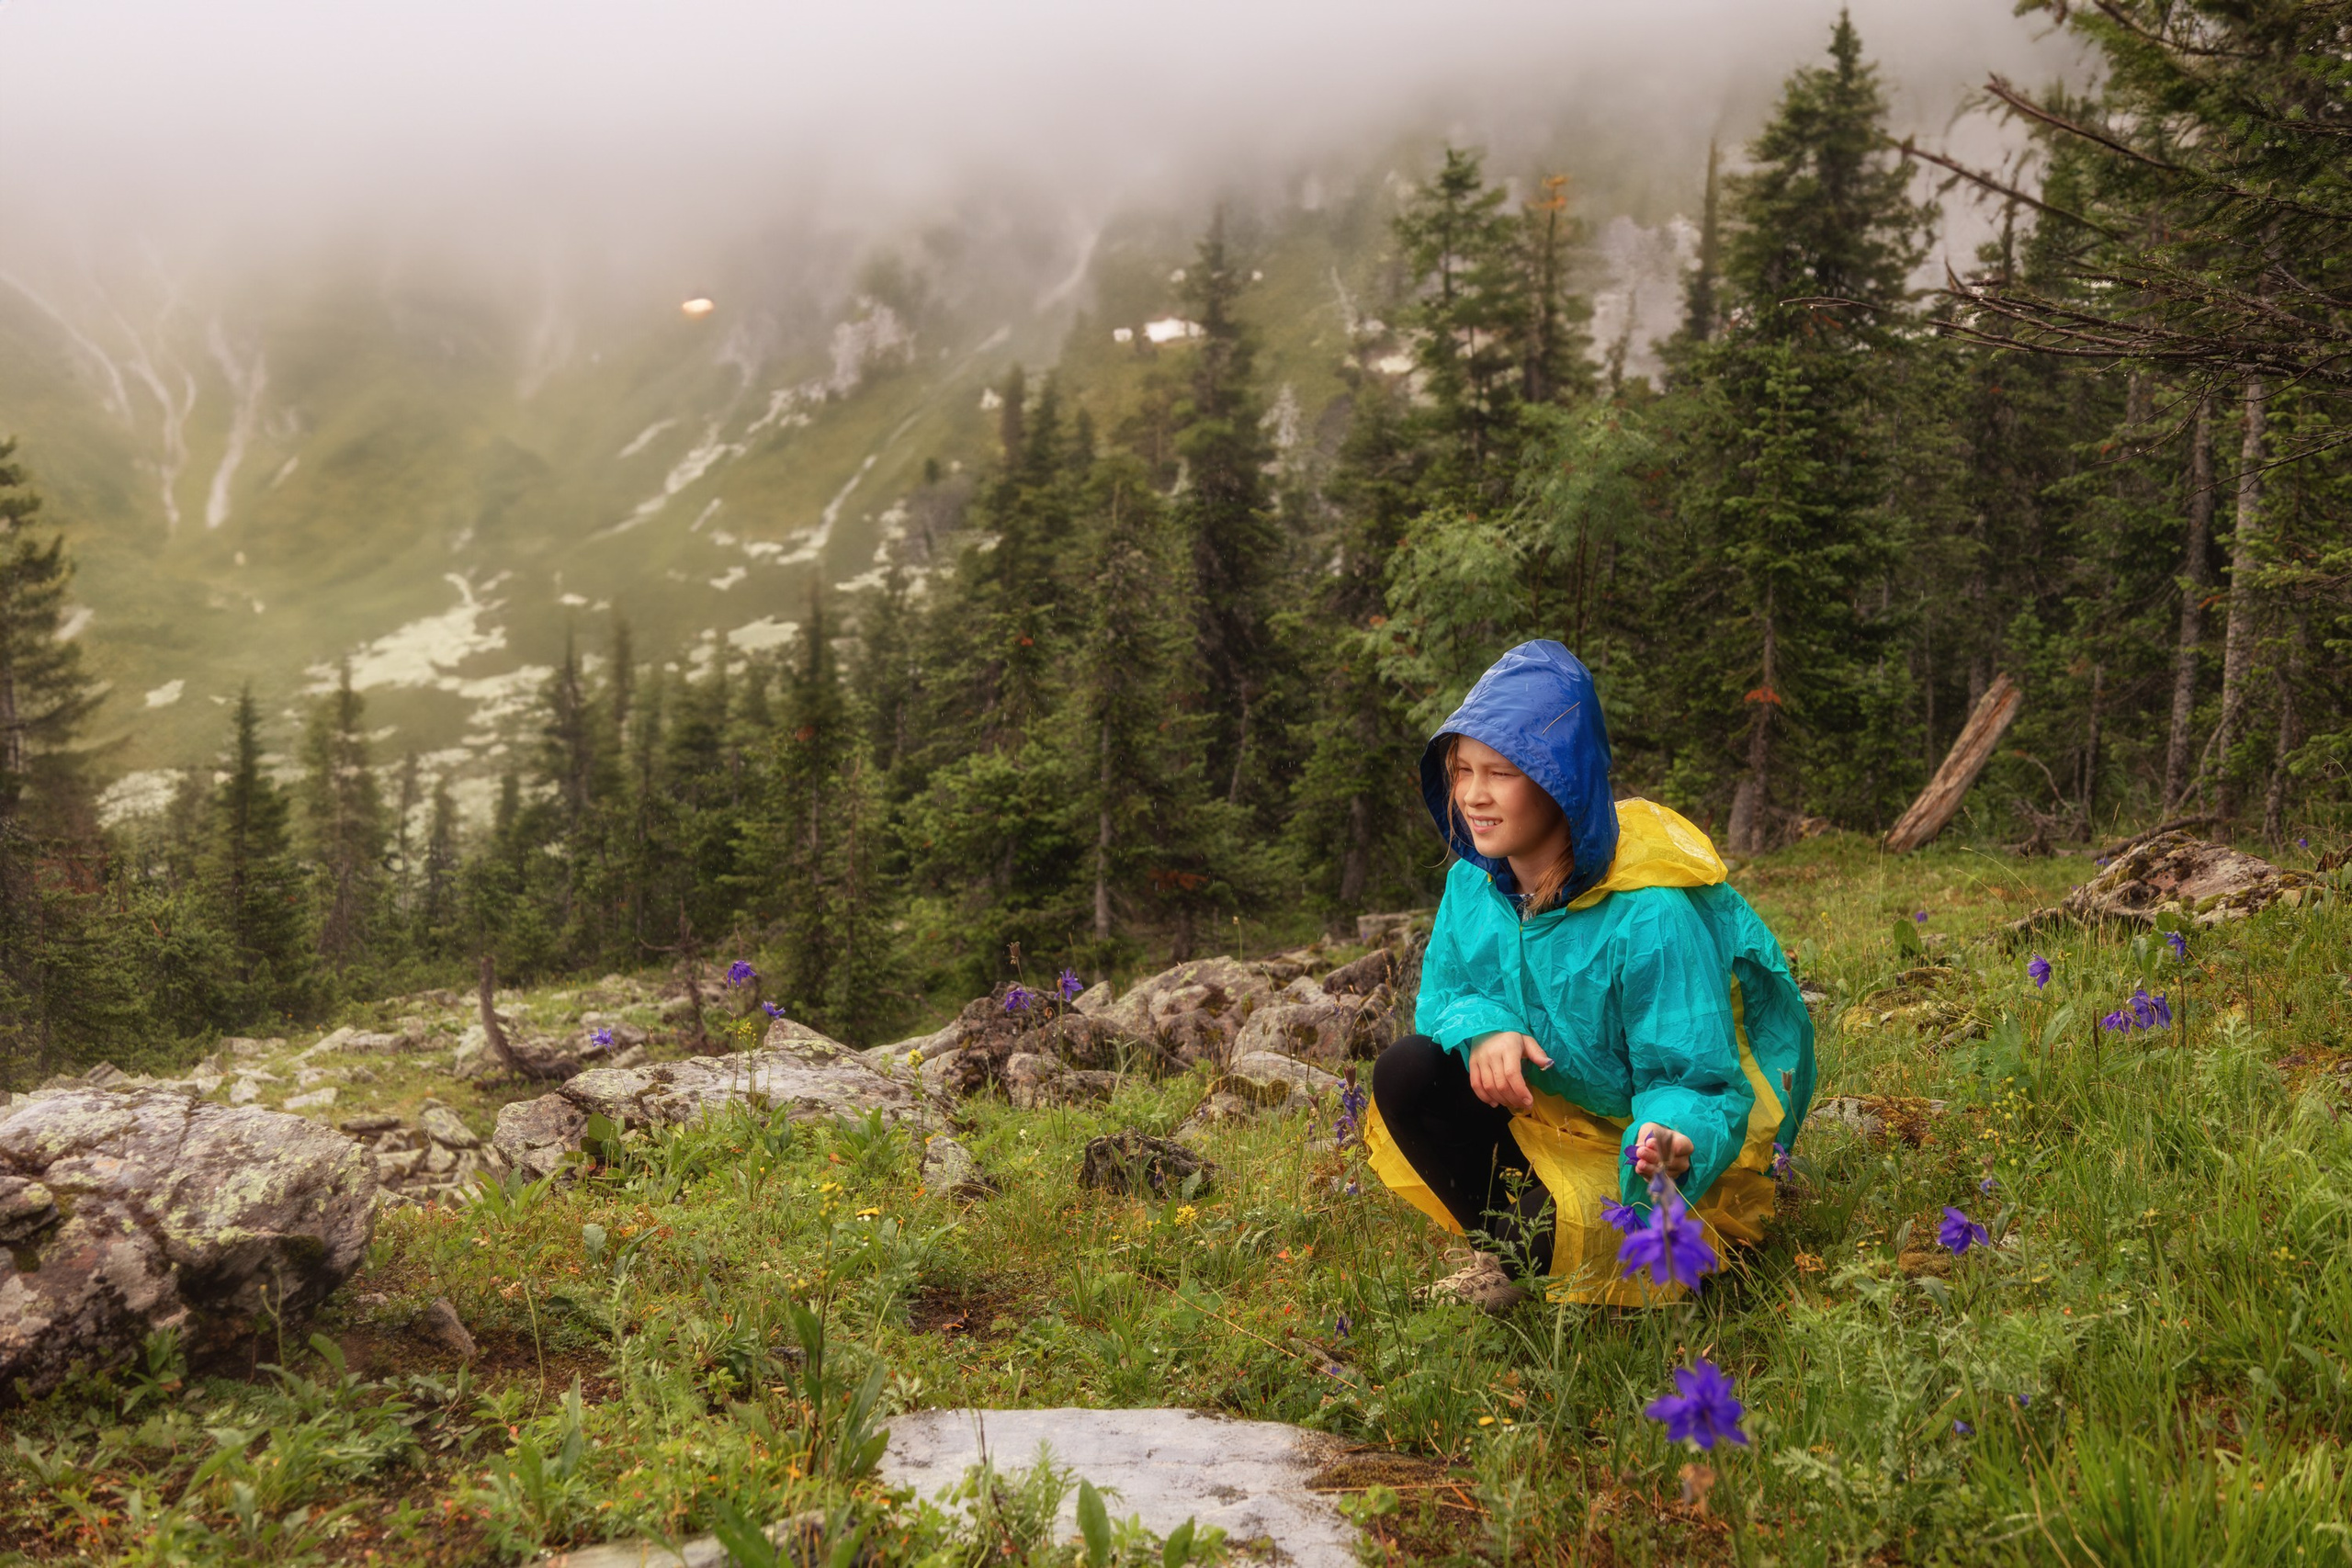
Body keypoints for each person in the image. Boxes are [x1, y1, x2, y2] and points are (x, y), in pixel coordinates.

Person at [1363, 640, 1815, 1307]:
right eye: (1462, 770)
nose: (1474, 796)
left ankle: (1589, 1253)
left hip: (1640, 1153)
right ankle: (1518, 1253)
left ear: (1560, 779)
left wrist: (1670, 1139)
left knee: (1582, 1235)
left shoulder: (1649, 912)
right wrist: (1485, 1028)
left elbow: (1698, 1078)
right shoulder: (1471, 885)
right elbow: (1447, 994)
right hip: (1547, 1122)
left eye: (1502, 772)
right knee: (1409, 1071)